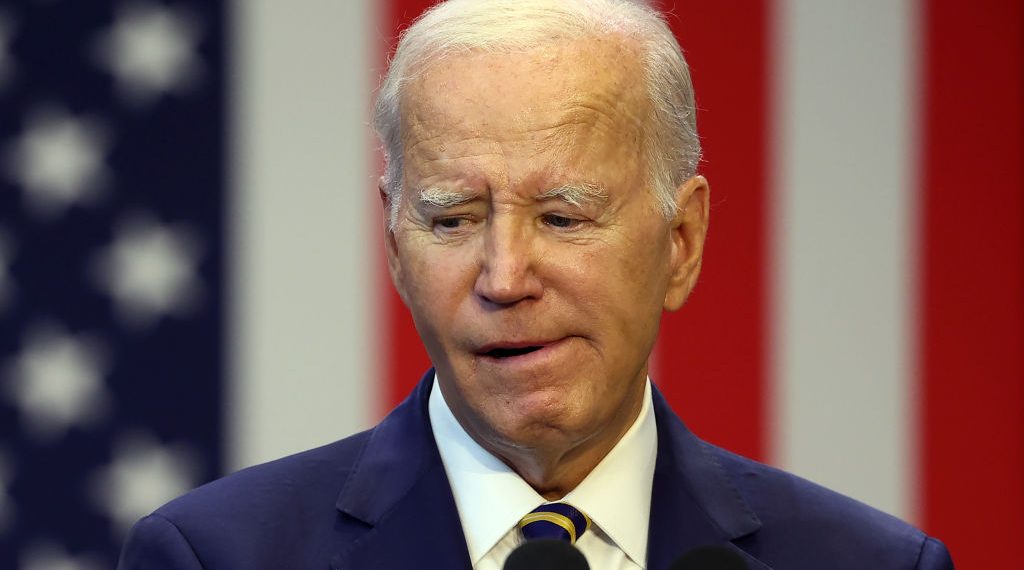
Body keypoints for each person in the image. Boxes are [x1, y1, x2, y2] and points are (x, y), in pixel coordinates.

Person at [118, 1, 954, 568]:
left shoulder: (869, 564)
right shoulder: (214, 556)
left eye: (563, 216)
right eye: (452, 219)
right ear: (394, 243)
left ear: (682, 241)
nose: (505, 277)